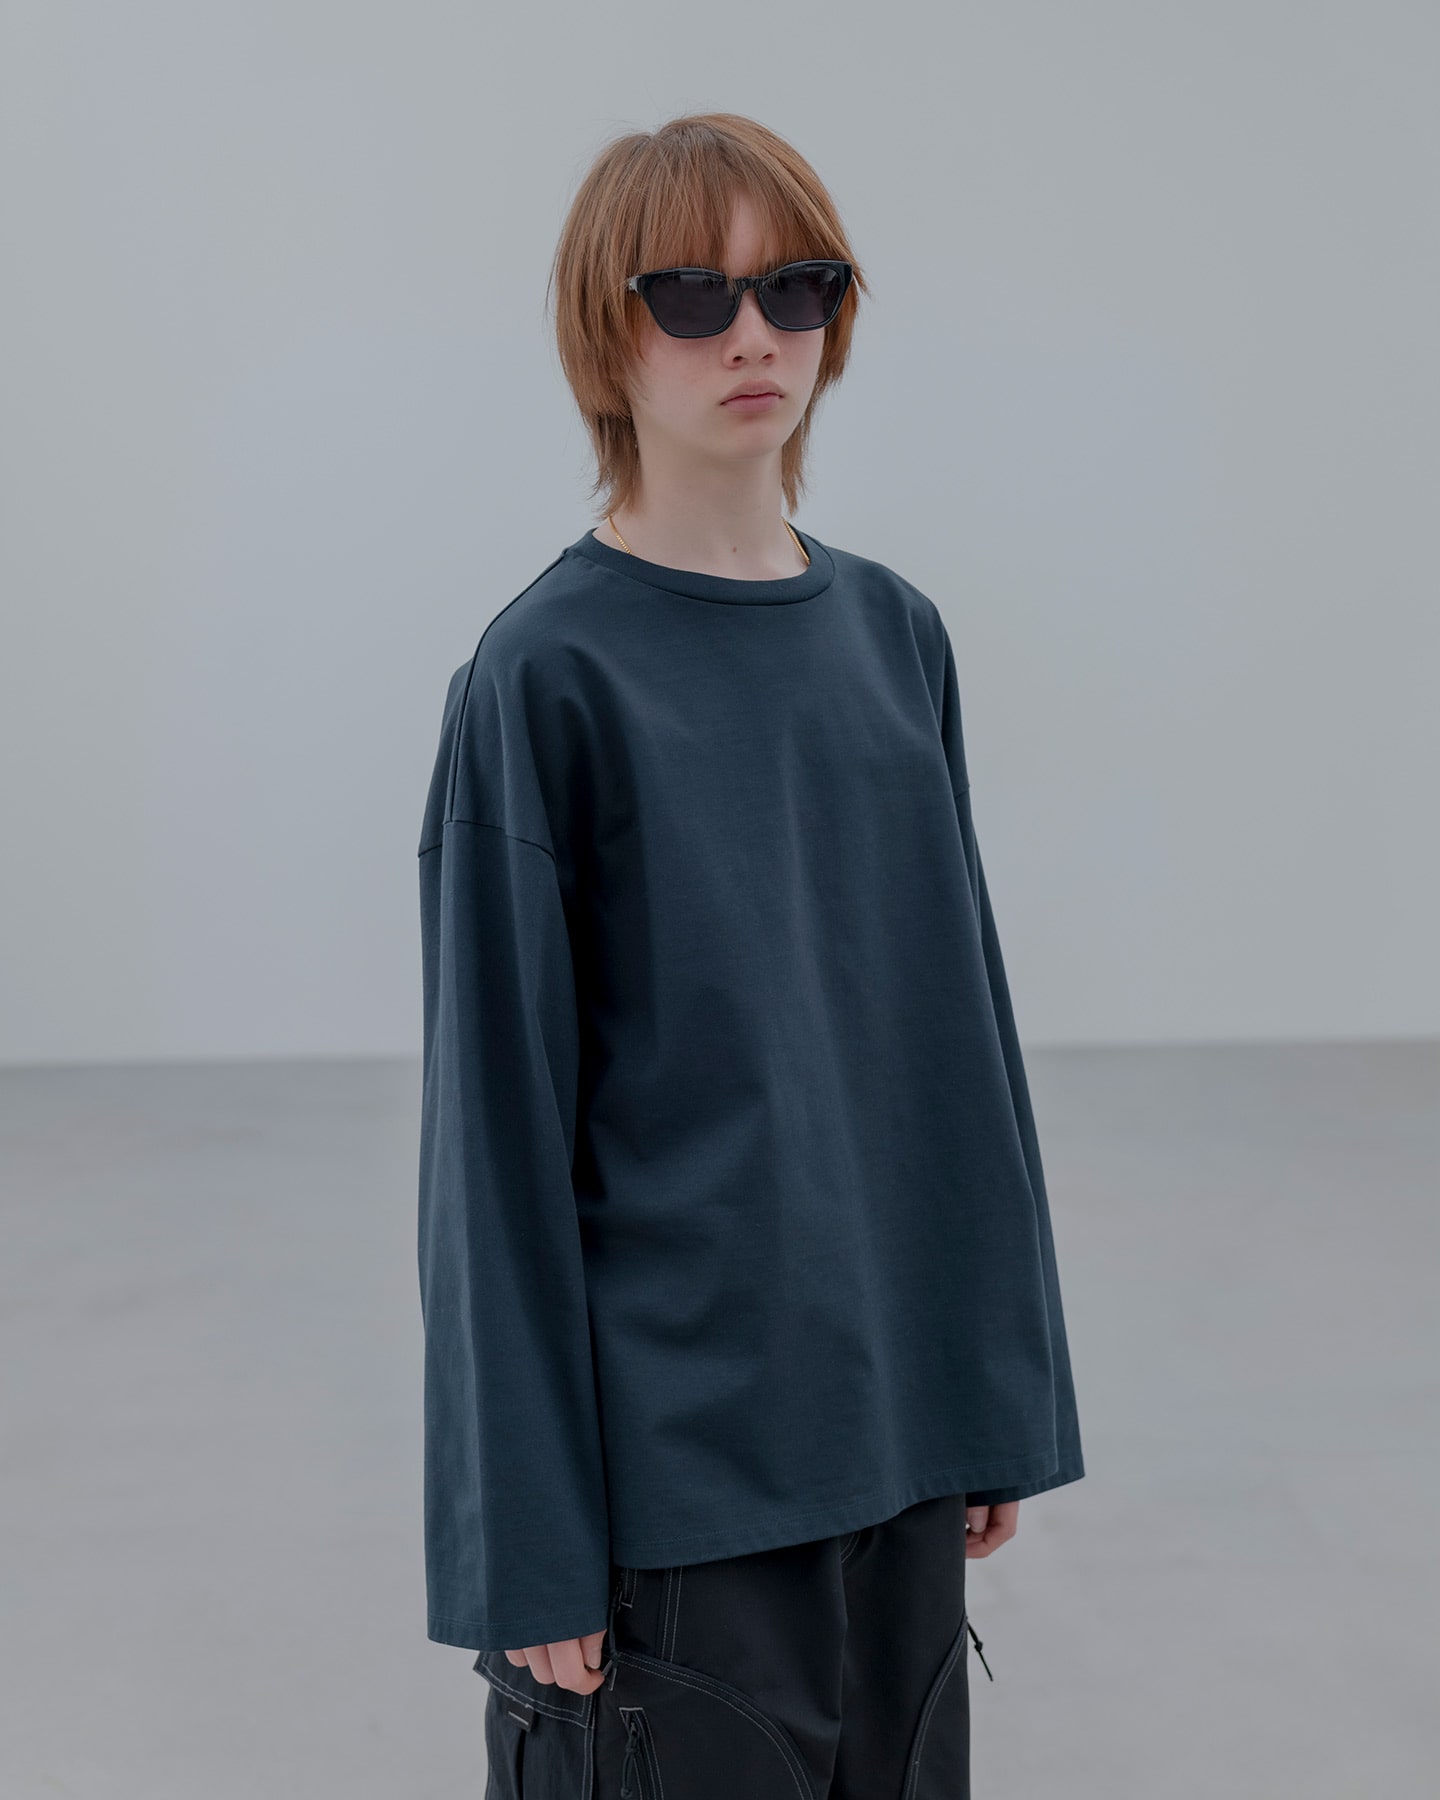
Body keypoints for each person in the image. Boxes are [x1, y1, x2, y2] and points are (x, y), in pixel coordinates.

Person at [416, 111, 1084, 1798]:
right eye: (692, 296)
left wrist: (990, 1390)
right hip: (680, 1482)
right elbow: (493, 1144)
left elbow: (954, 1042)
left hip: (895, 1449)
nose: (753, 336)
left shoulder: (893, 635)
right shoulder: (545, 675)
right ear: (606, 331)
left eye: (797, 287)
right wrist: (526, 1546)